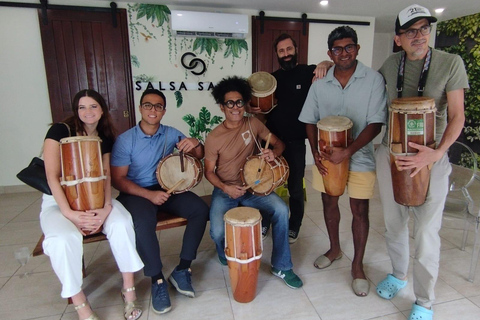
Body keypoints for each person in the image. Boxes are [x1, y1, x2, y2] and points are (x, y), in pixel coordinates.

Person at [374, 4, 469, 320]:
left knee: (427, 233)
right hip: (392, 158)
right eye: (411, 31)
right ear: (398, 38)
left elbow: (457, 115)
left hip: (432, 160)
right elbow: (368, 90)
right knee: (394, 224)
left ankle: (424, 301)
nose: (419, 36)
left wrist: (437, 153)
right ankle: (398, 274)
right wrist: (322, 65)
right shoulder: (390, 64)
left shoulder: (450, 63)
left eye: (424, 28)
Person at [299, 26, 387, 297]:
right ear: (330, 53)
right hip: (327, 158)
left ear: (357, 49)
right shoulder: (320, 83)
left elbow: (375, 123)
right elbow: (310, 120)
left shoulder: (373, 79)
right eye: (338, 49)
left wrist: (347, 152)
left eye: (349, 47)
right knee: (329, 201)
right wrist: (314, 151)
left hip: (359, 157)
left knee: (359, 210)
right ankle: (335, 248)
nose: (344, 53)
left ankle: (357, 265)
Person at [41, 89, 144, 320]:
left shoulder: (105, 136)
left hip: (97, 198)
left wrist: (107, 207)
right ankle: (81, 305)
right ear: (76, 111)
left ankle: (129, 291)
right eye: (82, 107)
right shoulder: (59, 131)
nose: (88, 112)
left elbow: (106, 175)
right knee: (61, 240)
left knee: (122, 222)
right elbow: (51, 176)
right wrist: (70, 214)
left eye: (93, 106)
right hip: (59, 203)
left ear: (102, 109)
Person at [111, 89, 209, 315]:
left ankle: (183, 269)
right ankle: (157, 280)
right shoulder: (126, 140)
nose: (152, 110)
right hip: (136, 193)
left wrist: (195, 142)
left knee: (199, 210)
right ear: (140, 108)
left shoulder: (171, 133)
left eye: (158, 106)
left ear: (164, 111)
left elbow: (198, 154)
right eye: (148, 105)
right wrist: (149, 196)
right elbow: (118, 180)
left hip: (167, 187)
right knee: (143, 223)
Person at [205, 76, 303, 289]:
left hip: (253, 186)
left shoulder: (253, 123)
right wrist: (225, 188)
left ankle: (282, 266)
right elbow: (209, 172)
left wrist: (272, 154)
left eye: (239, 102)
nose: (235, 107)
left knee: (280, 210)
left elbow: (279, 145)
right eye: (229, 103)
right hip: (225, 189)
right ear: (222, 107)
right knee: (218, 233)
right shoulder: (214, 137)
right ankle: (223, 249)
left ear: (244, 103)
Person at [247, 33, 326, 243]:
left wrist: (324, 63)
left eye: (289, 49)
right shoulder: (271, 80)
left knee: (295, 187)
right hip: (271, 141)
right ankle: (264, 221)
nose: (286, 54)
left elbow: (329, 65)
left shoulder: (307, 72)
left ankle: (295, 224)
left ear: (295, 50)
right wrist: (252, 108)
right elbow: (261, 113)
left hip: (296, 143)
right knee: (265, 184)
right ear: (277, 54)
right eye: (281, 51)